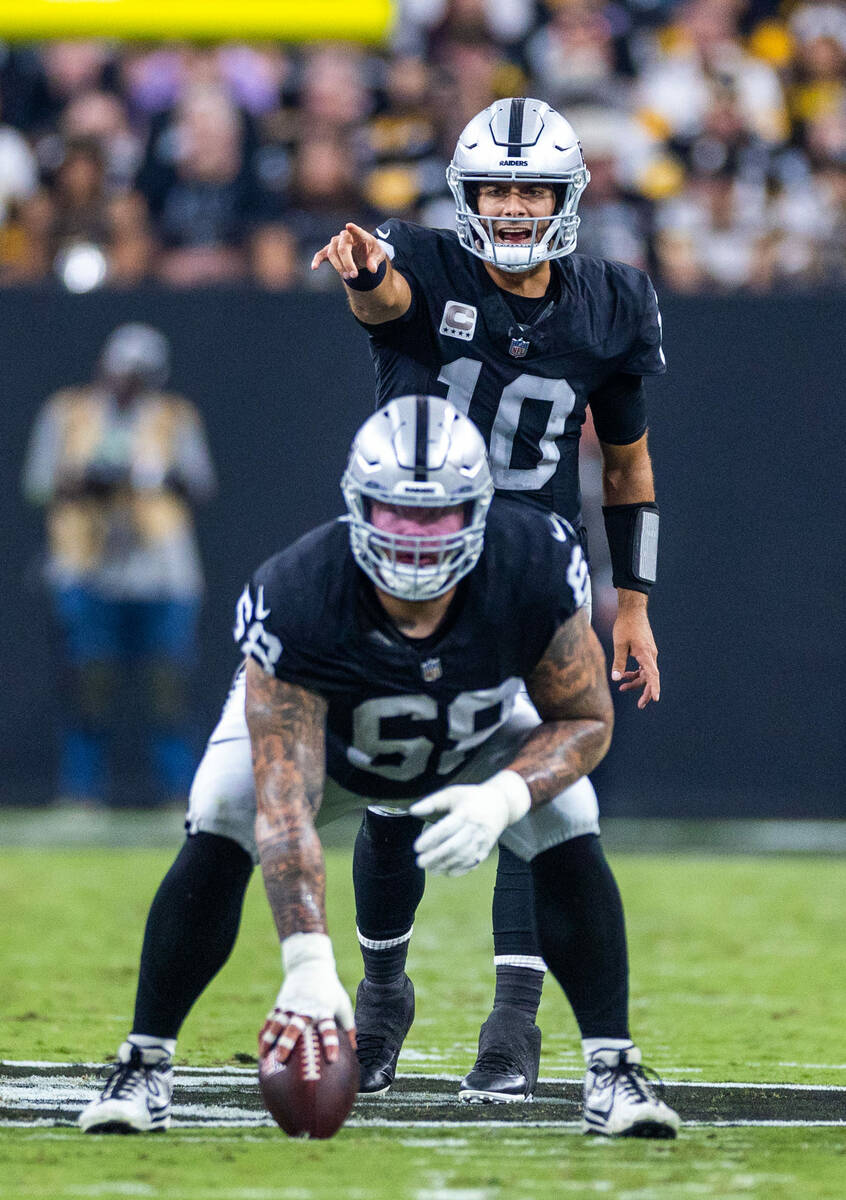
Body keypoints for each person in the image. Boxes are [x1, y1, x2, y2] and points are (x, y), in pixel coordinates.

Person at [78, 396, 679, 1138]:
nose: (418, 540)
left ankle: (611, 1068)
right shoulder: (299, 592)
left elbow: (585, 719)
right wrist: (305, 960)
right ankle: (144, 1062)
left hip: (473, 729)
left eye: (438, 517)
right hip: (327, 743)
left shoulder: (532, 561)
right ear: (357, 507)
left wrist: (502, 796)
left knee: (568, 812)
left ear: (481, 511)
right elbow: (282, 798)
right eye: (398, 515)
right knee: (223, 809)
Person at [309, 96, 665, 1100]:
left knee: (532, 795)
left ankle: (513, 1025)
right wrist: (372, 277)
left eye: (531, 188)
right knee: (388, 788)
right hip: (410, 558)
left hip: (532, 569)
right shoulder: (422, 259)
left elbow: (630, 469)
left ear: (567, 197)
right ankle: (383, 999)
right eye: (497, 187)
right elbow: (379, 298)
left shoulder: (610, 302)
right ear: (467, 195)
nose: (512, 207)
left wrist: (632, 600)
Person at [22, 323, 216, 805]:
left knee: (167, 686)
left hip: (162, 570)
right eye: (125, 371)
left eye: (142, 374)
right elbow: (39, 483)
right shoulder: (68, 413)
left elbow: (199, 484)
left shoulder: (173, 417)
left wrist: (152, 477)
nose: (131, 382)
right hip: (89, 565)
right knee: (89, 682)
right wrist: (87, 479)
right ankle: (81, 792)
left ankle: (179, 793)